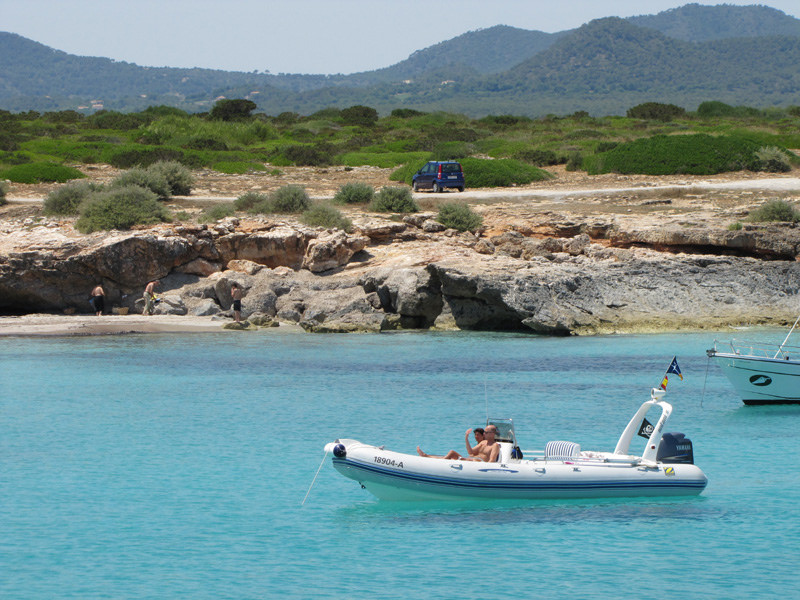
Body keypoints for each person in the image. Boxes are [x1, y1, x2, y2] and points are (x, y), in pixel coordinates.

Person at [417, 425, 500, 462]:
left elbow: (491, 461)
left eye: (486, 432)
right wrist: (466, 438)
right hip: (472, 460)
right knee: (451, 456)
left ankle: (436, 463)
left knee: (452, 453)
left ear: (492, 434)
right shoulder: (483, 442)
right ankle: (426, 456)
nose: (484, 433)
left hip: (477, 464)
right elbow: (470, 452)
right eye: (484, 432)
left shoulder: (495, 446)